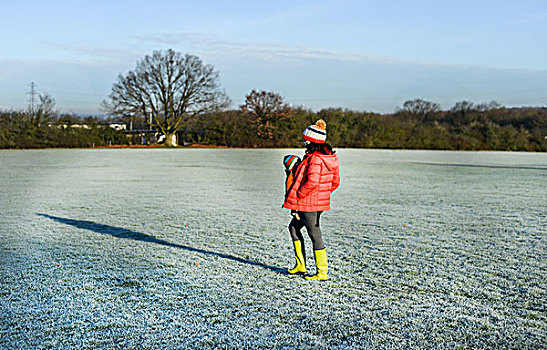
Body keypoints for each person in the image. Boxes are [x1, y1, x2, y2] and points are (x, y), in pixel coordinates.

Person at [283, 119, 340, 280]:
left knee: (315, 235)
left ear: (312, 140)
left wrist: (300, 195)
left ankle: (322, 272)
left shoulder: (315, 159)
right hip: (315, 202)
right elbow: (335, 182)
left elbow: (312, 182)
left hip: (308, 203)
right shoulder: (329, 158)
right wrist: (322, 195)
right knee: (294, 228)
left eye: (305, 139)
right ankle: (300, 265)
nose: (304, 141)